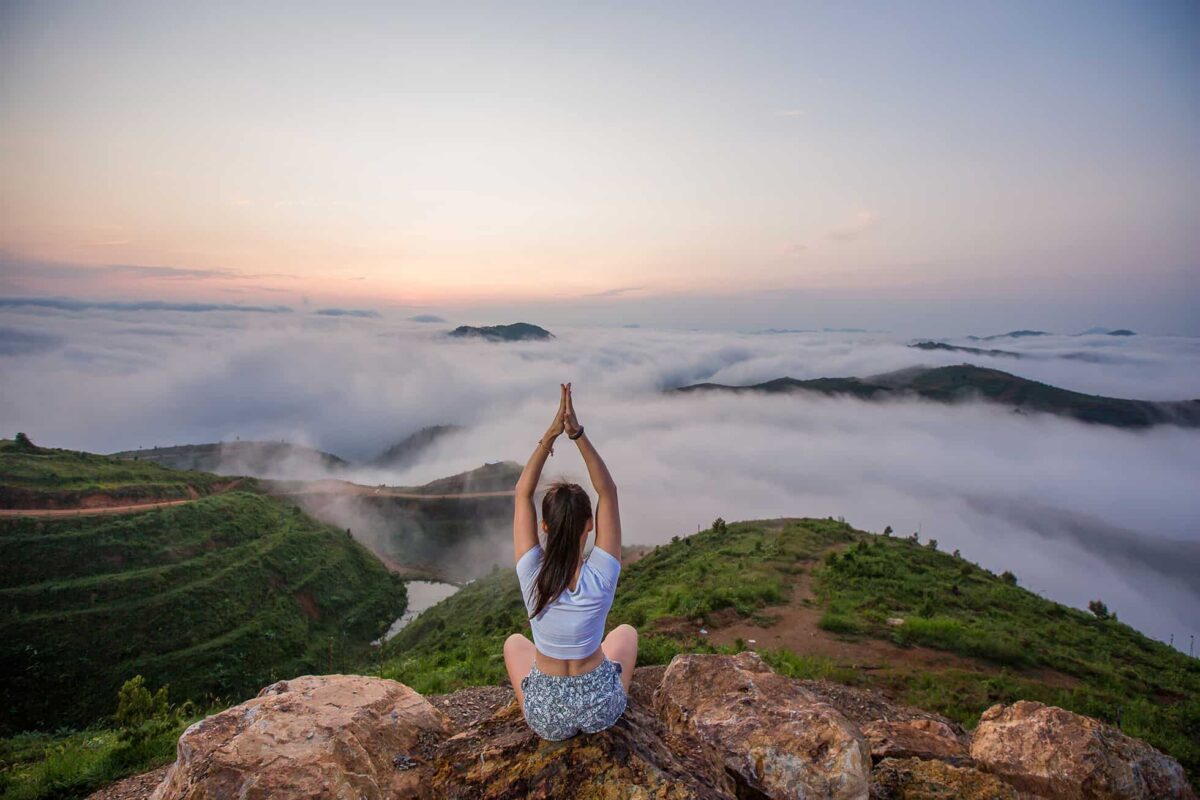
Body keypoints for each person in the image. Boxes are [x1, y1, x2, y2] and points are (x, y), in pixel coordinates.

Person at [503, 382, 638, 741]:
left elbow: (522, 493)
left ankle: (543, 703)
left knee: (514, 643)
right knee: (625, 633)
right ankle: (603, 695)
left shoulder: (532, 574)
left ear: (544, 526)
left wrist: (551, 435)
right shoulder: (602, 574)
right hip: (600, 709)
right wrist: (576, 434)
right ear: (590, 525)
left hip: (546, 717)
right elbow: (608, 491)